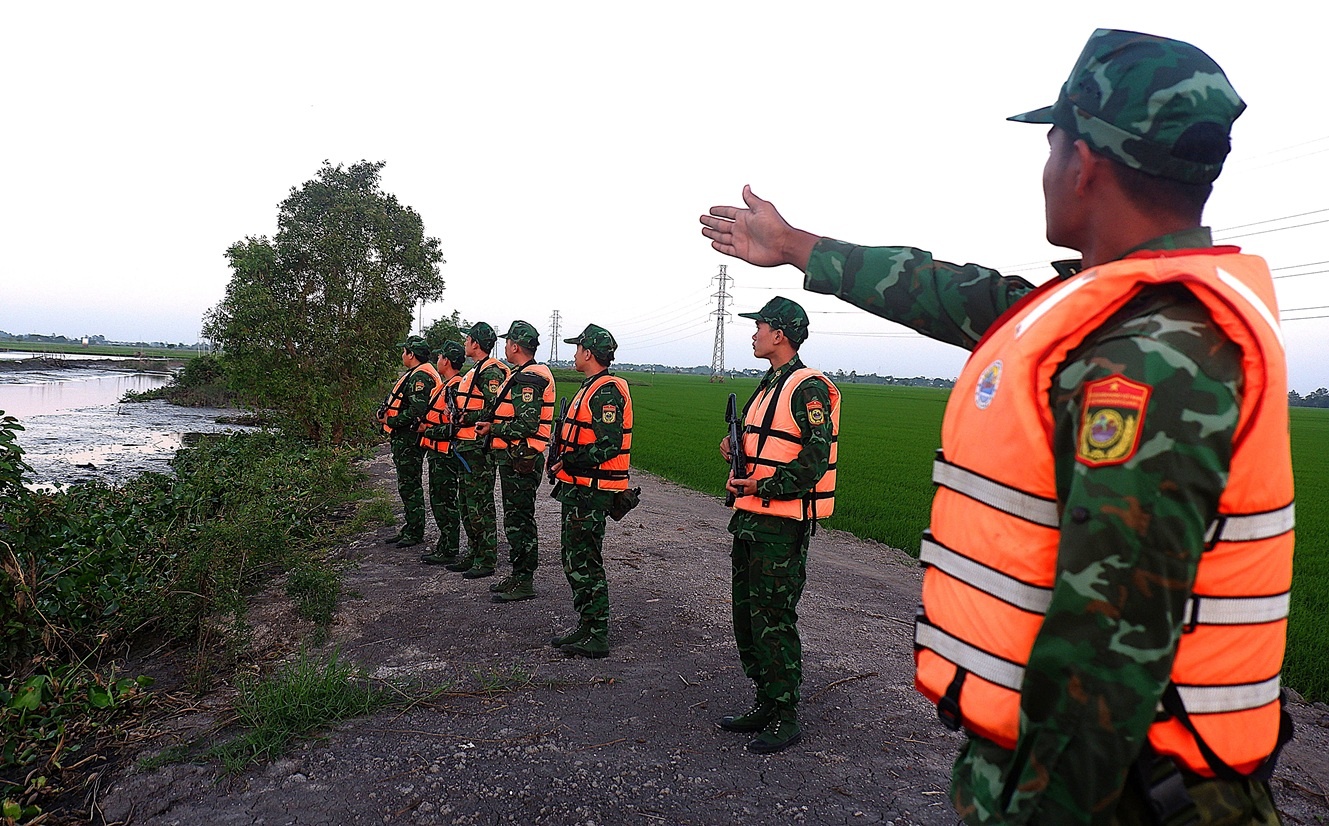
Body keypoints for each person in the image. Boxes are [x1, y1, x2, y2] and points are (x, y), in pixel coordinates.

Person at [700, 29, 1293, 825]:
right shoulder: (1111, 311)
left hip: (1119, 794)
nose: (1046, 168)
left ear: (1082, 161)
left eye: (1051, 145)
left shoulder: (1155, 354)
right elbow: (948, 292)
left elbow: (1104, 652)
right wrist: (796, 244)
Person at [716, 297, 838, 755]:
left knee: (774, 618)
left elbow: (813, 459)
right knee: (747, 617)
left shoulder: (807, 387)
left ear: (779, 334)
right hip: (750, 520)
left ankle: (785, 714)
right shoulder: (769, 384)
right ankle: (765, 701)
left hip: (779, 526)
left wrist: (767, 485)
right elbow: (764, 442)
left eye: (760, 326)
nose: (753, 333)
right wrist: (732, 450)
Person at [547, 324, 633, 659]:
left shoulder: (605, 392)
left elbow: (608, 444)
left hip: (592, 491)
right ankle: (586, 624)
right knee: (573, 558)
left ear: (588, 352)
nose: (574, 353)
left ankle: (598, 634)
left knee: (586, 560)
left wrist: (569, 460)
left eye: (577, 348)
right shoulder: (592, 387)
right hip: (579, 487)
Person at [474, 320, 556, 603]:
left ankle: (525, 580)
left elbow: (527, 424)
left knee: (520, 520)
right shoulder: (523, 374)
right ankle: (518, 574)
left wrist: (493, 429)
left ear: (515, 346)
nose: (505, 346)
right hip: (515, 458)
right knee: (514, 518)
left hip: (522, 459)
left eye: (508, 342)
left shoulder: (530, 378)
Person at [446, 322, 510, 579]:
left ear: (475, 343)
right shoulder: (477, 369)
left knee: (480, 504)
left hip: (478, 448)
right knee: (466, 502)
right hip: (466, 446)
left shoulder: (491, 372)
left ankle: (486, 558)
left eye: (467, 339)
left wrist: (466, 418)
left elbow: (494, 407)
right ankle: (473, 553)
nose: (465, 343)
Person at [378, 335, 440, 548]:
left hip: (409, 438)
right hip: (404, 437)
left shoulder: (420, 377)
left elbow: (417, 411)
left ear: (411, 354)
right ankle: (410, 527)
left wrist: (392, 421)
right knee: (407, 484)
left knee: (410, 484)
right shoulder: (416, 374)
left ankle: (415, 531)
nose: (402, 355)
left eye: (404, 351)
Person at [417, 340, 467, 566]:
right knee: (439, 499)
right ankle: (445, 544)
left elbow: (453, 426)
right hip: (438, 452)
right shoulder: (447, 385)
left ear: (446, 360)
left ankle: (449, 547)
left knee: (444, 501)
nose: (437, 360)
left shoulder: (455, 387)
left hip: (445, 454)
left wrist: (427, 429)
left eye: (440, 357)